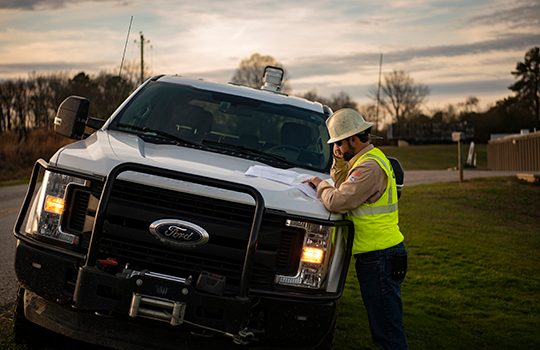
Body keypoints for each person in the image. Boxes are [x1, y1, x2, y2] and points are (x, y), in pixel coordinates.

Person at [304, 108, 408, 350]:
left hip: (379, 257)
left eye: (339, 142)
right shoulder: (363, 161)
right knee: (385, 327)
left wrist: (320, 185)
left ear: (353, 138)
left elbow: (338, 200)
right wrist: (339, 161)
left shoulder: (368, 168)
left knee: (388, 333)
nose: (337, 147)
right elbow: (342, 185)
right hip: (380, 254)